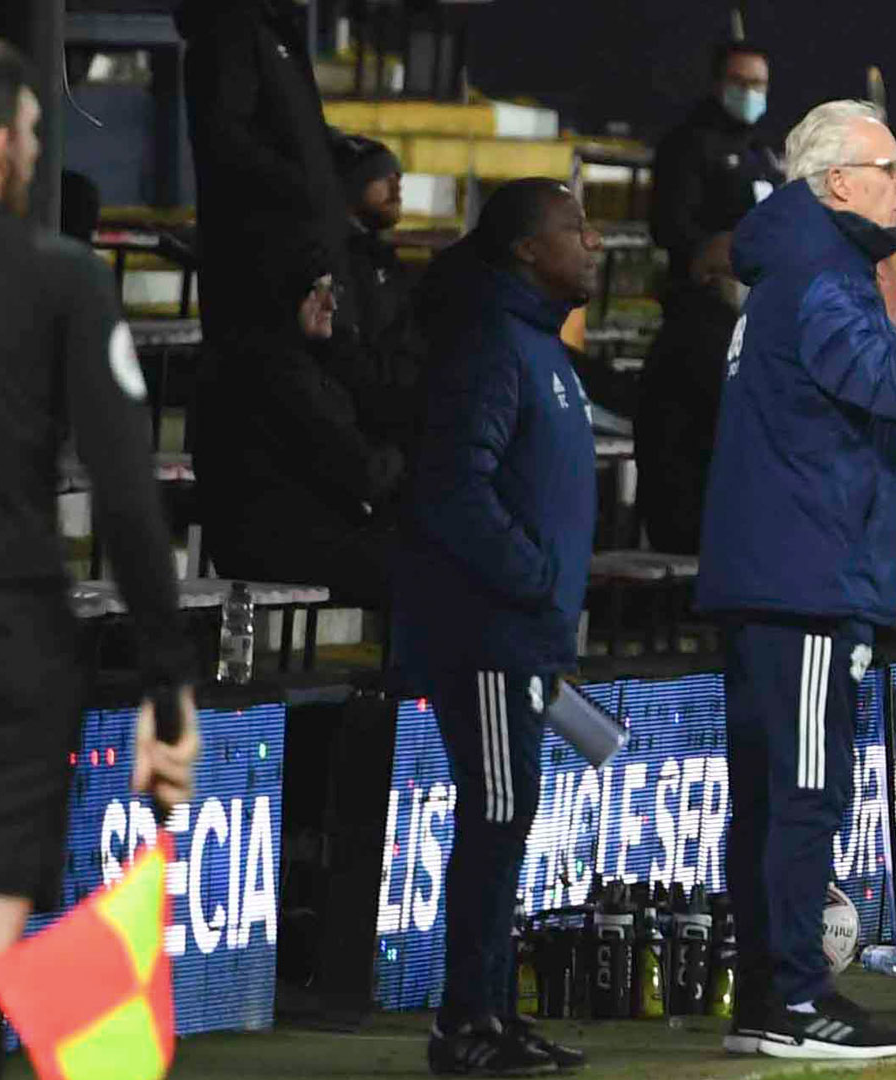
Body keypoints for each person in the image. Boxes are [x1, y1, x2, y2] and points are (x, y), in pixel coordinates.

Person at [697, 99, 896, 1060]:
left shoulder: (792, 274)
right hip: (802, 583)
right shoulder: (819, 279)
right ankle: (794, 1000)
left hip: (780, 576)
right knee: (801, 795)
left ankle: (768, 1000)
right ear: (838, 182)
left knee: (770, 797)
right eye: (892, 166)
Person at [0, 37, 199, 1080]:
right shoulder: (59, 275)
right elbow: (128, 493)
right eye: (35, 131)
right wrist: (166, 676)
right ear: (1, 146)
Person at [391, 178, 599, 1076]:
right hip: (485, 634)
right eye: (575, 229)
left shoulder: (538, 348)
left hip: (522, 636)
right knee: (497, 814)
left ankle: (491, 1016)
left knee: (509, 817)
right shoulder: (490, 347)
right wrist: (533, 577)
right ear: (525, 248)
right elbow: (451, 488)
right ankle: (465, 1023)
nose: (594, 243)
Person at [193, 243, 404, 606]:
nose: (331, 305)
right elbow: (361, 470)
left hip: (279, 535)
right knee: (440, 569)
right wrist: (406, 455)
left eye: (333, 291)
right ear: (281, 294)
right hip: (278, 545)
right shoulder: (275, 368)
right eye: (316, 292)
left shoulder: (281, 356)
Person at [636, 39, 782, 554]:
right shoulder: (688, 145)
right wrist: (715, 254)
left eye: (759, 83)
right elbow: (672, 227)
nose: (750, 93)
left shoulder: (762, 154)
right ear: (718, 82)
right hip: (705, 310)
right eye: (741, 82)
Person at [177, 0, 349, 343]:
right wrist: (307, 190)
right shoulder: (231, 28)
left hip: (294, 268)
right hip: (260, 275)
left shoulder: (273, 27)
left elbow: (297, 136)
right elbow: (227, 141)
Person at [331, 131, 426, 456]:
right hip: (363, 438)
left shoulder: (379, 256)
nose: (396, 186)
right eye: (381, 177)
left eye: (397, 175)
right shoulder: (335, 258)